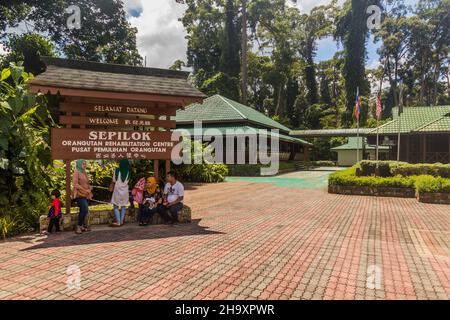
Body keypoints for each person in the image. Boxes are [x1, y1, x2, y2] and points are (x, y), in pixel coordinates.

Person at [73, 159, 93, 235]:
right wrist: (85, 189)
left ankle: (81, 226)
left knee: (83, 210)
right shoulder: (76, 172)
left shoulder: (84, 172)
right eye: (83, 164)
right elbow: (75, 184)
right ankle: (78, 226)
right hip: (80, 194)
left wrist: (89, 187)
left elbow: (86, 182)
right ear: (79, 164)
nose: (85, 165)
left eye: (85, 164)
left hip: (86, 194)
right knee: (84, 210)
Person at [111, 159, 130, 227]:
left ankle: (118, 222)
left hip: (117, 190)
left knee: (115, 206)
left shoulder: (117, 170)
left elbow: (114, 180)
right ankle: (121, 221)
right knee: (123, 206)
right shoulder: (128, 171)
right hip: (125, 191)